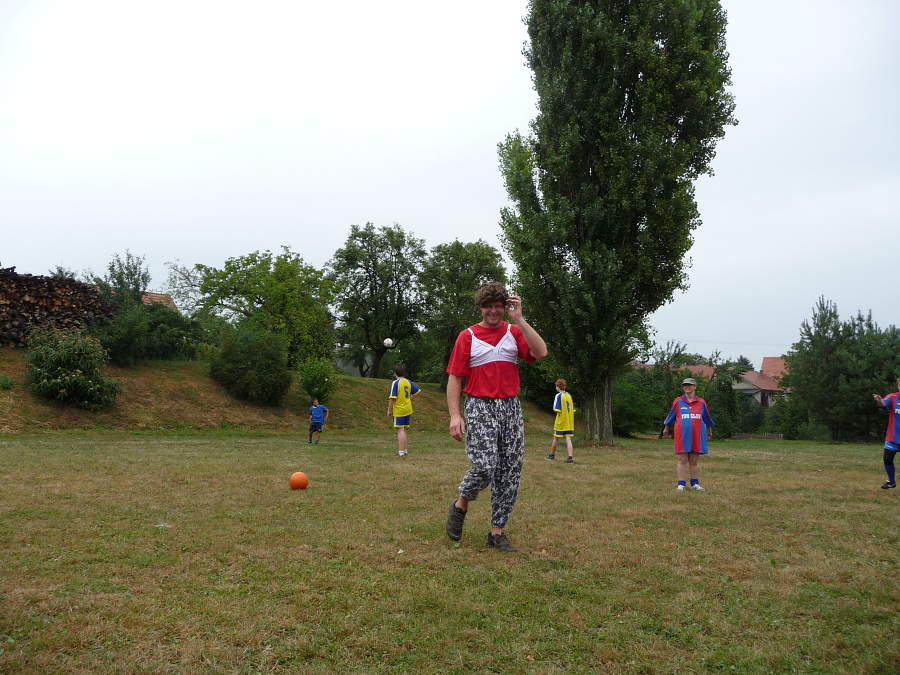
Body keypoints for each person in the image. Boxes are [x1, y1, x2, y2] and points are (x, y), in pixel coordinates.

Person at [445, 281, 548, 553]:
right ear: (481, 307)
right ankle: (460, 505)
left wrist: (520, 319)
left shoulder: (514, 332)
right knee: (485, 465)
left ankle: (497, 532)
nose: (493, 311)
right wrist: (455, 415)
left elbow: (540, 352)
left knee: (509, 470)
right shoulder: (467, 336)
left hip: (510, 407)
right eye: (488, 306)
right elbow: (455, 378)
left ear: (505, 307)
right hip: (480, 405)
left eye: (498, 306)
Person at [662, 377, 714, 491]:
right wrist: (666, 427)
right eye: (685, 385)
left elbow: (707, 418)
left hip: (697, 435)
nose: (687, 387)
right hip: (682, 435)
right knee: (682, 460)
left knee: (694, 461)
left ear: (695, 387)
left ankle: (695, 483)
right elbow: (671, 416)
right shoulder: (678, 402)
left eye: (689, 385)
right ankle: (681, 483)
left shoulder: (701, 402)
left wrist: (709, 431)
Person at [872, 377, 900, 489]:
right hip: (893, 436)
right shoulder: (893, 397)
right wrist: (879, 400)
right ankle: (891, 481)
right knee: (887, 459)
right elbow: (883, 403)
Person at [388, 365, 420, 457]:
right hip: (408, 408)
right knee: (403, 430)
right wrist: (410, 399)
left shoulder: (396, 383)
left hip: (399, 409)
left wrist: (389, 410)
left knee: (400, 430)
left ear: (395, 373)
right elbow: (417, 391)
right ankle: (405, 450)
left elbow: (392, 398)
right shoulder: (408, 382)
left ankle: (401, 452)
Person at [546, 378, 576, 463]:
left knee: (556, 438)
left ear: (558, 386)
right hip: (569, 421)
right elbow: (573, 409)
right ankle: (570, 457)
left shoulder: (559, 396)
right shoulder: (569, 395)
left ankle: (552, 455)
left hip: (561, 421)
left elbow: (556, 409)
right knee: (568, 438)